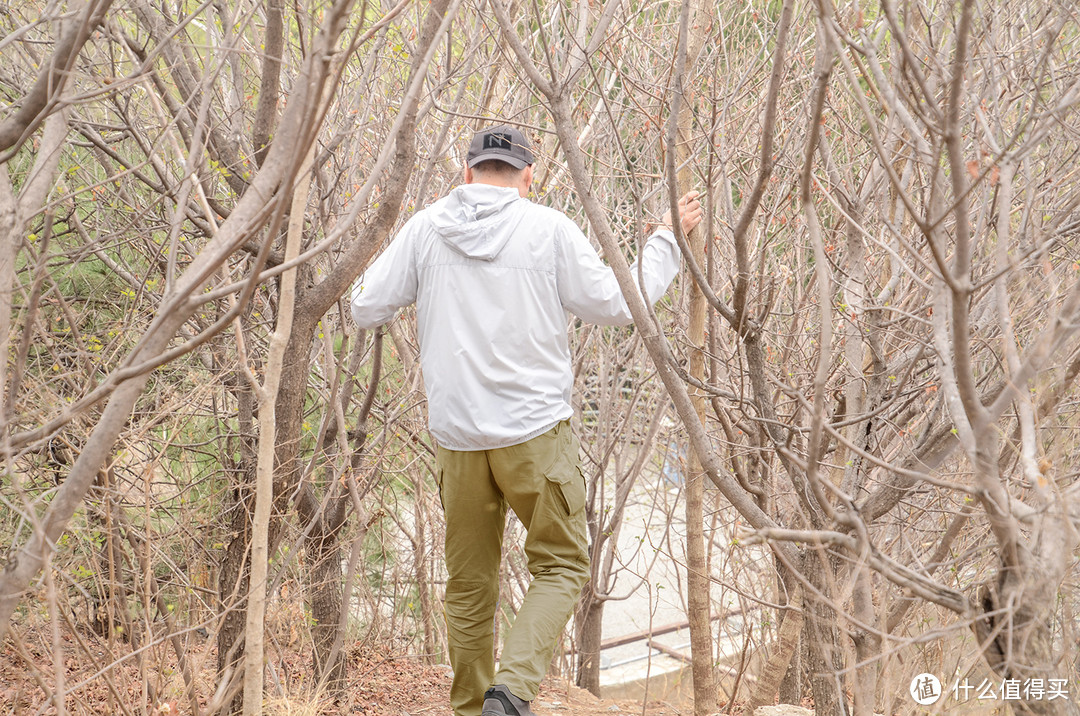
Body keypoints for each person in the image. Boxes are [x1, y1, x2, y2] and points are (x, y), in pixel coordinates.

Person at [351, 124, 701, 716]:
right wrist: (666, 240)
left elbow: (364, 306)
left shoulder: (425, 230)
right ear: (527, 178)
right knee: (563, 564)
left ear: (466, 173)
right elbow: (618, 305)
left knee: (468, 587)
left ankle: (471, 708)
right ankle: (510, 696)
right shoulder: (548, 229)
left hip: (458, 440)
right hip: (534, 437)